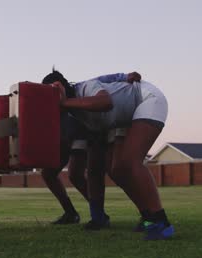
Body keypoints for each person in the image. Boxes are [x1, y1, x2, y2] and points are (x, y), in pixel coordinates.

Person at [46, 69, 174, 240]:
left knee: (130, 162)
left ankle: (161, 222)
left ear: (59, 87)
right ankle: (148, 216)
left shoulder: (85, 87)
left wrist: (64, 102)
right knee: (117, 170)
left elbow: (105, 102)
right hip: (125, 116)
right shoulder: (74, 114)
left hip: (146, 99)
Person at [40, 71, 140, 229]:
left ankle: (100, 214)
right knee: (51, 173)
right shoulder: (52, 106)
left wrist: (125, 76)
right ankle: (74, 213)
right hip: (72, 135)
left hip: (91, 129)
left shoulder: (82, 89)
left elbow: (103, 80)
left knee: (90, 171)